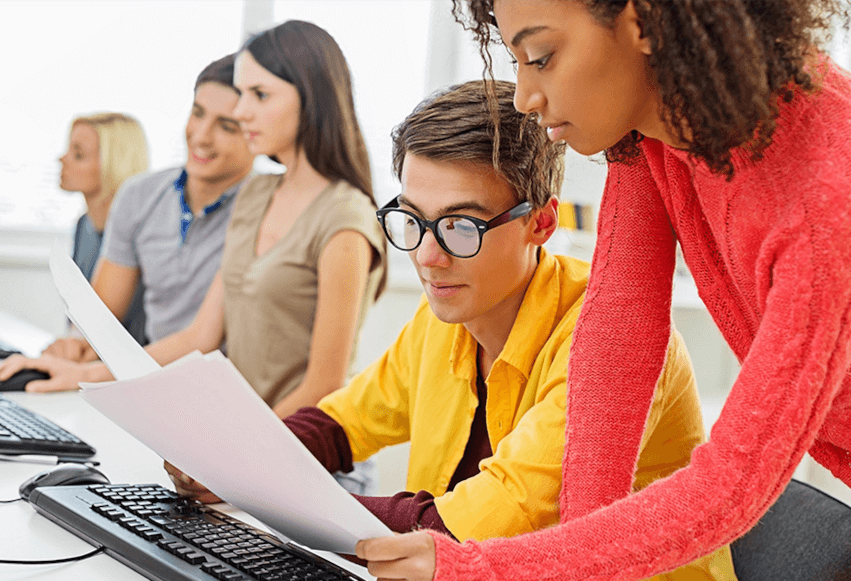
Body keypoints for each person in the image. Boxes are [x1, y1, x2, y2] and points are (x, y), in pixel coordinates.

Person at [355, 1, 851, 580]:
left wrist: (478, 568)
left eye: (541, 57)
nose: (524, 96)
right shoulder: (652, 135)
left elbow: (733, 487)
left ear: (644, 22)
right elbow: (615, 355)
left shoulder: (826, 200)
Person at [168, 79, 737, 580]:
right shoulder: (448, 314)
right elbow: (340, 424)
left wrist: (265, 491)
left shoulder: (613, 337)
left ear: (540, 223)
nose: (429, 256)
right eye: (412, 220)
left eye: (460, 225)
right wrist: (237, 464)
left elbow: (466, 525)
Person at [0, 21, 387, 495]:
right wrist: (87, 376)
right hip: (236, 451)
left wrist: (231, 458)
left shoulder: (346, 218)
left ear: (311, 98)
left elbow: (324, 386)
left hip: (307, 460)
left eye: (259, 96)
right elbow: (199, 336)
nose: (243, 112)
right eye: (240, 95)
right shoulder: (258, 195)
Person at [0, 53, 255, 378]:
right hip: (146, 379)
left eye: (227, 126)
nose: (201, 136)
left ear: (254, 131)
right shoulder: (139, 196)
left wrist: (95, 374)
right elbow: (101, 319)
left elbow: (203, 341)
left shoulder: (263, 208)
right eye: (197, 113)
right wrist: (76, 347)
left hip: (217, 386)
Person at [59, 112, 149, 345]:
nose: (62, 159)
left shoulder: (141, 236)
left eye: (78, 154)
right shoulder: (83, 227)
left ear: (113, 164)